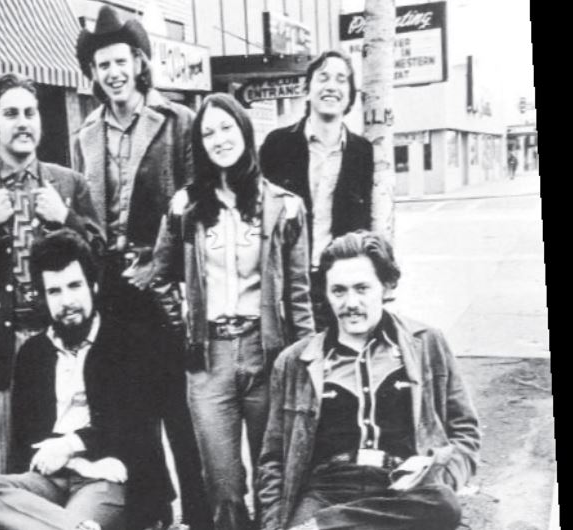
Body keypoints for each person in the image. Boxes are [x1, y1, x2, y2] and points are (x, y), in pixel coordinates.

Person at [151, 93, 315, 530]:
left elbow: (299, 294)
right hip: (209, 359)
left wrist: (306, 361)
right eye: (208, 133)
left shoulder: (284, 205)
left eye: (227, 127)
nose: (219, 139)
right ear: (199, 144)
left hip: (267, 353)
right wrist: (184, 327)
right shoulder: (186, 205)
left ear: (244, 131)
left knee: (271, 473)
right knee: (221, 482)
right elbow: (159, 275)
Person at [74, 6, 210, 529]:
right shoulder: (86, 134)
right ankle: (155, 513)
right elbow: (87, 215)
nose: (113, 73)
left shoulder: (178, 122)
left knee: (182, 410)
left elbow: (197, 205)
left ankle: (201, 515)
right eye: (102, 65)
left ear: (138, 62)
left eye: (120, 61)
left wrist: (161, 264)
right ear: (93, 72)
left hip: (165, 287)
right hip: (112, 291)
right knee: (132, 411)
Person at [257, 231, 480, 530]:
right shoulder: (295, 361)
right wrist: (274, 526)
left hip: (402, 492)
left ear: (386, 286)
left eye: (362, 288)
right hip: (327, 491)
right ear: (326, 294)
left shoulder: (427, 344)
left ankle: (326, 526)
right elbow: (273, 459)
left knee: (443, 504)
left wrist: (442, 477)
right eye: (339, 291)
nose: (351, 303)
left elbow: (465, 432)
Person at [0, 229, 173, 530]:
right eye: (55, 291)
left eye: (74, 286)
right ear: (44, 298)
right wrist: (73, 463)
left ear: (93, 286)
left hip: (105, 477)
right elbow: (24, 439)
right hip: (49, 478)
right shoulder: (33, 354)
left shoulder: (124, 342)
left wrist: (71, 446)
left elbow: (135, 428)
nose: (67, 301)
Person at [0, 73, 103, 473]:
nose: (23, 122)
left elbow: (101, 260)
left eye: (30, 113)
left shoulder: (69, 184)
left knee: (68, 453)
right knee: (7, 463)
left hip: (62, 338)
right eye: (11, 113)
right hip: (4, 346)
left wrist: (65, 217)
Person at [258, 50, 374, 329]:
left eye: (341, 80)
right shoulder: (277, 144)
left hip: (339, 282)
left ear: (350, 95)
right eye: (323, 78)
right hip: (287, 284)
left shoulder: (361, 151)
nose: (331, 86)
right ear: (307, 89)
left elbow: (365, 221)